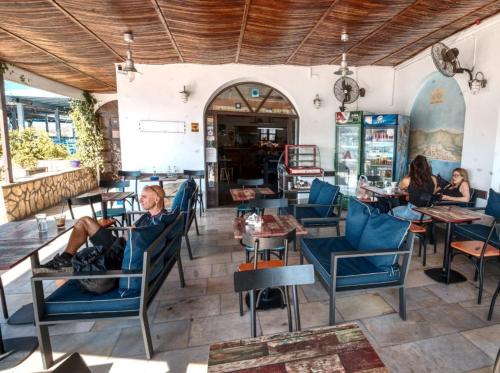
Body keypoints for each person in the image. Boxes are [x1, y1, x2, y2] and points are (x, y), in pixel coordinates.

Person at [40, 185, 172, 271]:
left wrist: (130, 232)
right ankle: (65, 257)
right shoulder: (152, 216)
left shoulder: (157, 221)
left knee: (85, 222)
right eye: (140, 196)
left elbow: (137, 238)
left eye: (144, 197)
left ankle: (66, 260)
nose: (140, 200)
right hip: (120, 245)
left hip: (118, 252)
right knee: (84, 221)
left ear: (156, 200)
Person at [391, 155, 438, 221]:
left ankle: (402, 230)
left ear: (413, 167)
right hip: (427, 214)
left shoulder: (407, 180)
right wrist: (411, 194)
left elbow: (397, 190)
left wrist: (407, 193)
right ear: (427, 167)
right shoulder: (434, 179)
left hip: (413, 213)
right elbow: (429, 195)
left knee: (391, 212)